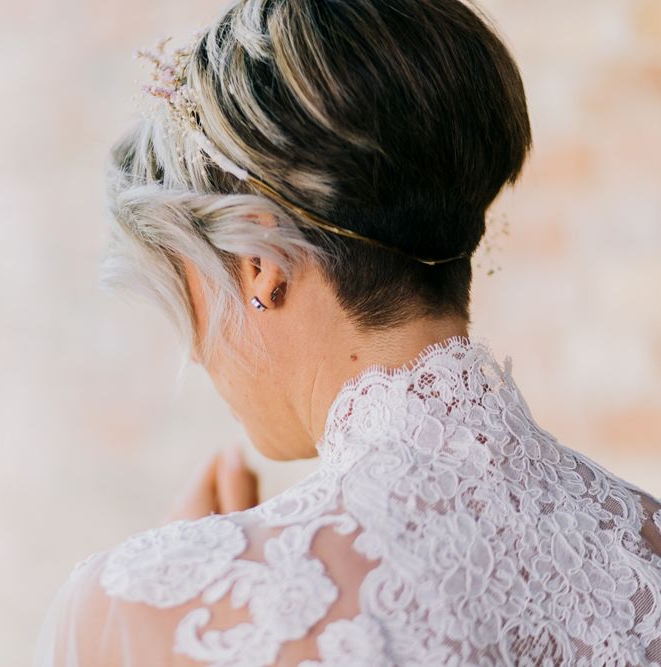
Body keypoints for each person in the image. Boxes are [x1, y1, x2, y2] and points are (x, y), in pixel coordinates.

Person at [33, 0, 661, 665]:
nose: (194, 344)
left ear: (261, 266)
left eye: (186, 286)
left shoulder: (141, 610)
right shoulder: (643, 547)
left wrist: (186, 584)